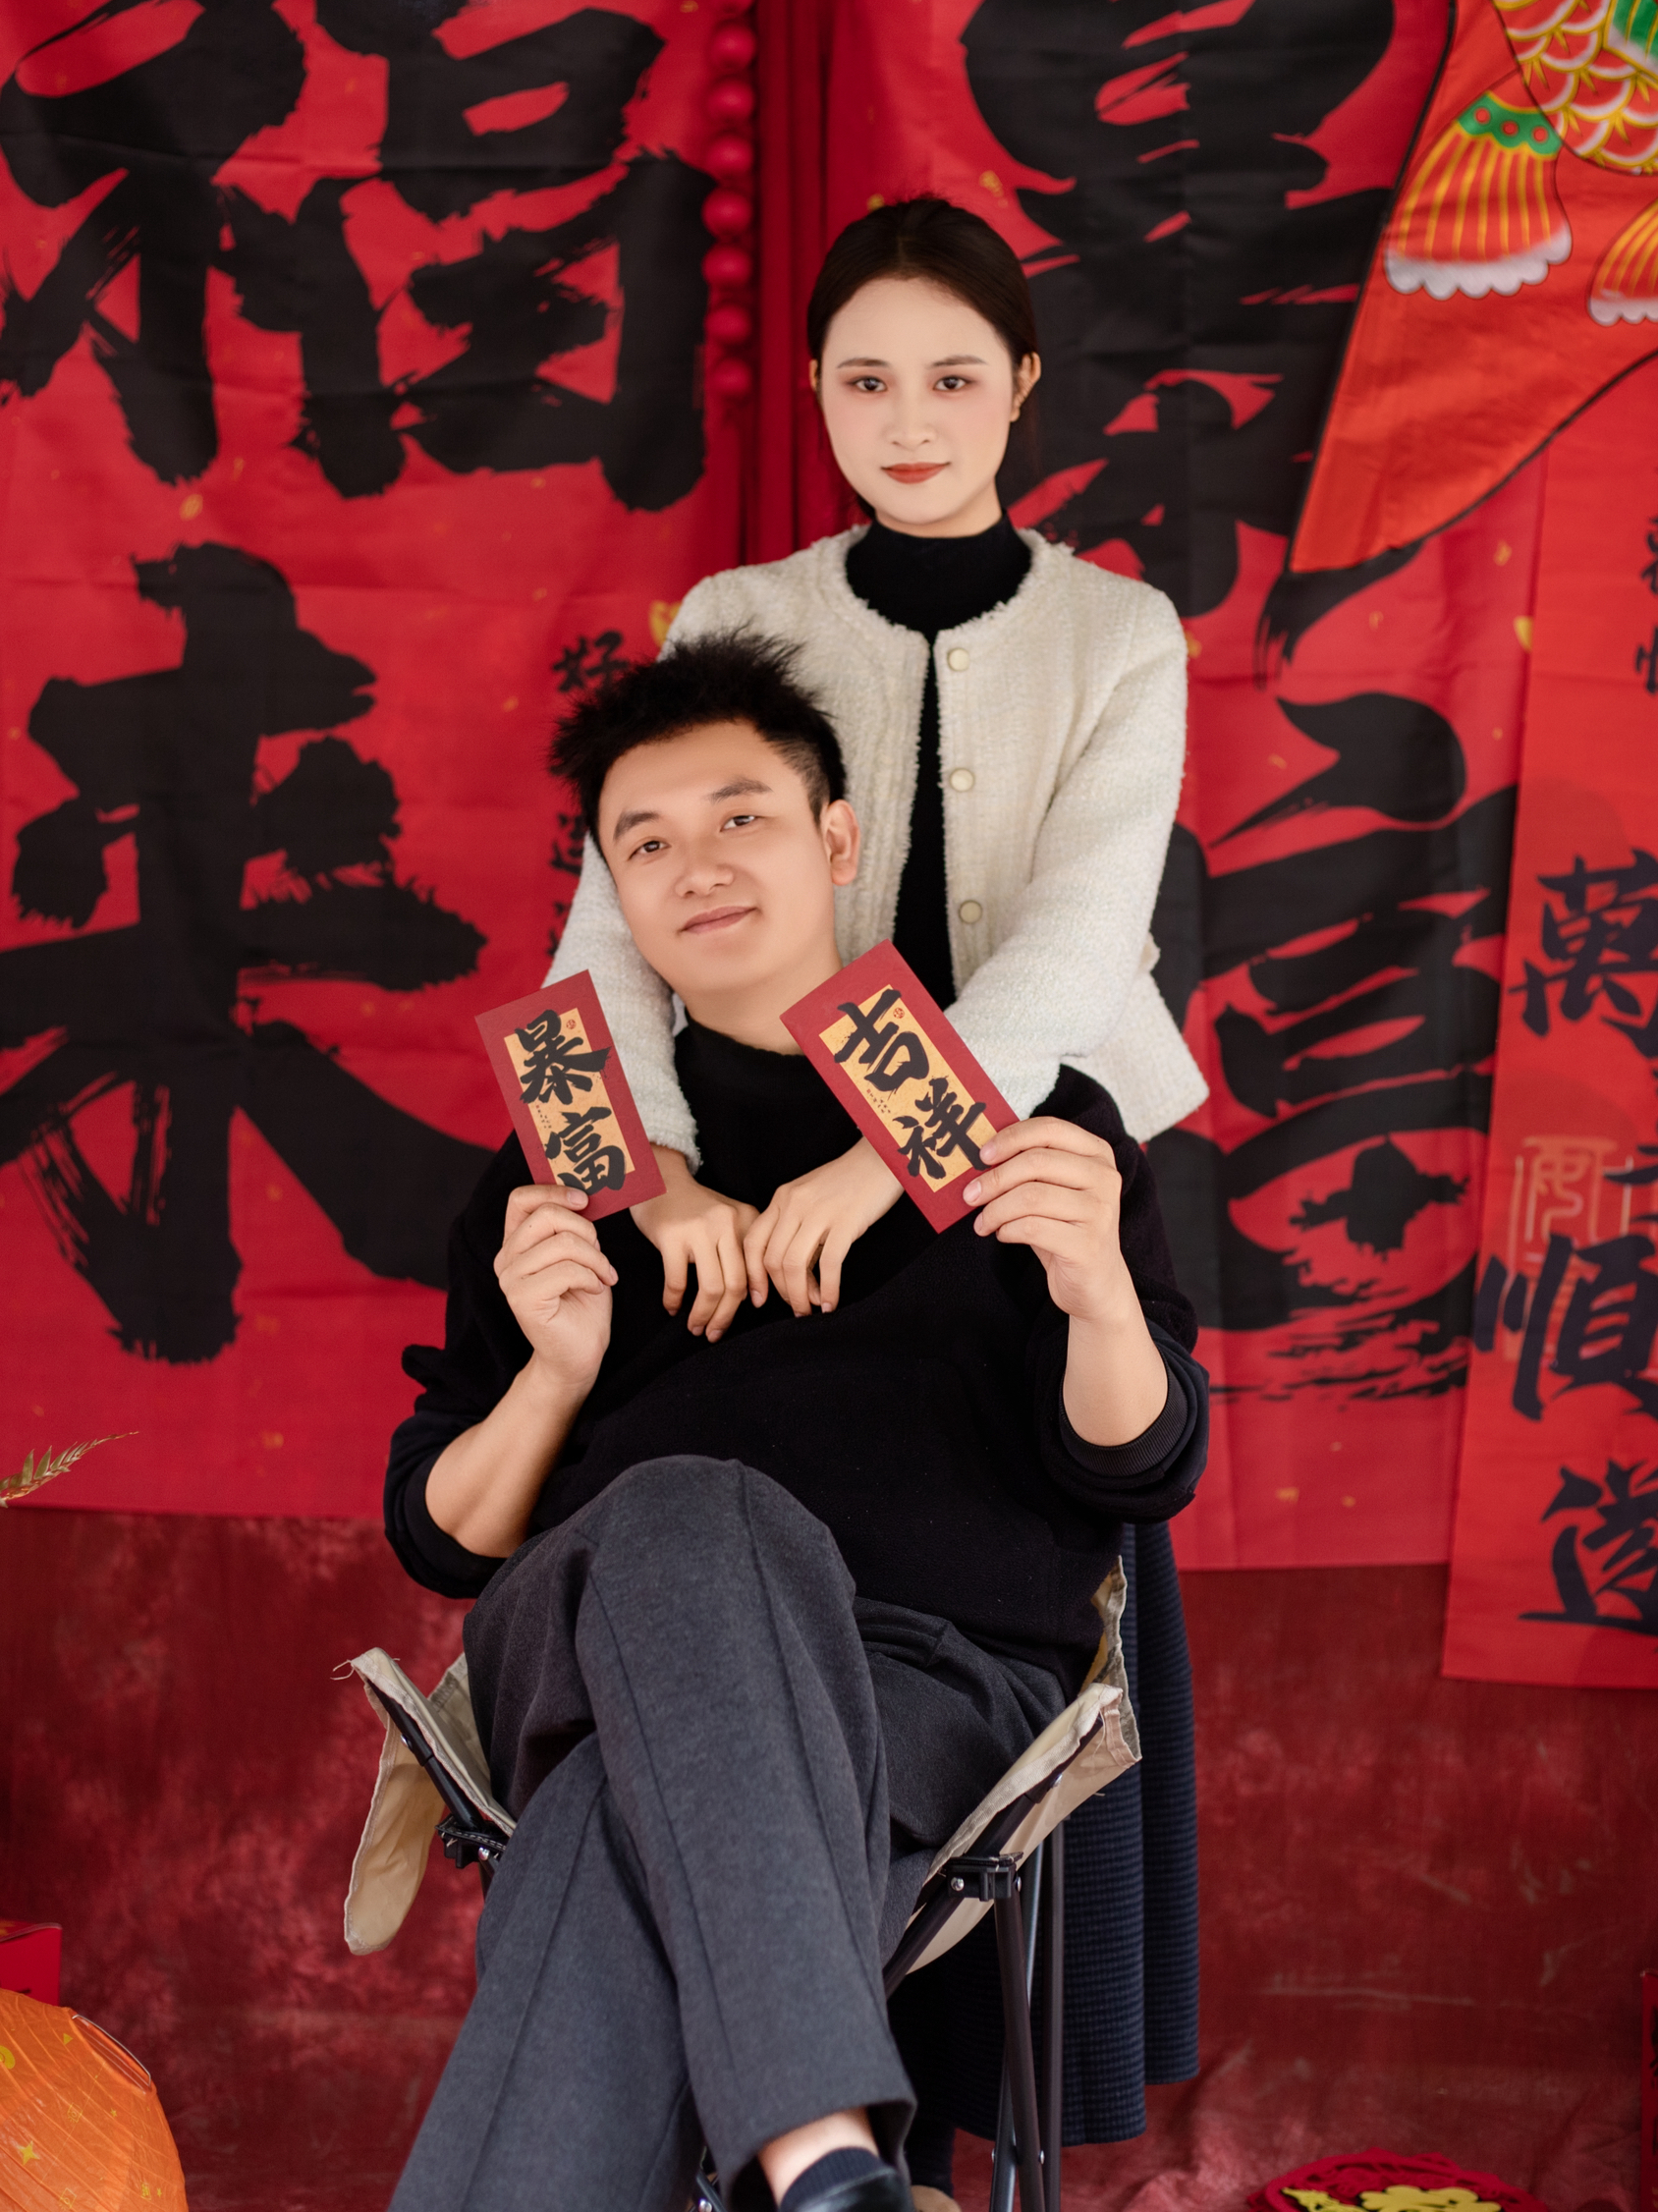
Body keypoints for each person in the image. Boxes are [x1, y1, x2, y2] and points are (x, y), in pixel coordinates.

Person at [385, 634, 1207, 2212]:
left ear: (838, 841)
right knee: (691, 1505)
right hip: (590, 1654)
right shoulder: (569, 1164)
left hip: (924, 1680)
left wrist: (1100, 1293)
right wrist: (553, 1371)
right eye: (646, 844)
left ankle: (821, 2173)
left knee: (607, 1839)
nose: (695, 865)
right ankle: (823, 2147)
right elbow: (439, 1533)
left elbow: (1142, 1463)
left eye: (740, 817)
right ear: (613, 896)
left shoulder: (1028, 1115)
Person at [548, 194, 1206, 1350]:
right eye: (866, 381)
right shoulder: (732, 614)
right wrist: (647, 1183)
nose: (908, 425)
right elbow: (605, 927)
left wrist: (882, 1164)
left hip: (1038, 1125)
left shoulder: (1121, 631)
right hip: (749, 1132)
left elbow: (1082, 940)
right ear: (813, 384)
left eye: (952, 379)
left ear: (1021, 378)